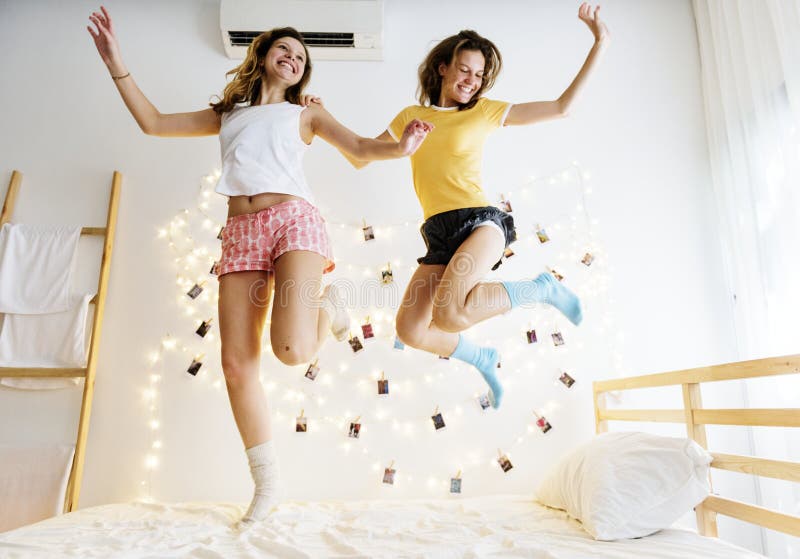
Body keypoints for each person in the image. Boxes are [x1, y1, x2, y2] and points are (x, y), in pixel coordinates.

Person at [87, 6, 432, 525]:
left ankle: (326, 300)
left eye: (301, 57)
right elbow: (153, 122)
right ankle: (267, 485)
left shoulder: (306, 115)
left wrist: (400, 148)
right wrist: (116, 62)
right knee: (234, 364)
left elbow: (360, 148)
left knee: (293, 351)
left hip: (294, 221)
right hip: (241, 231)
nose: (293, 59)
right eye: (285, 50)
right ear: (264, 55)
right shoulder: (229, 114)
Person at [349, 3, 609, 409]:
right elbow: (361, 155)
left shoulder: (485, 112)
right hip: (438, 231)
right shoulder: (410, 117)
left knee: (450, 315)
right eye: (465, 69)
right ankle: (481, 357)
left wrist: (600, 42)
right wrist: (318, 115)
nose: (472, 80)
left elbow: (562, 107)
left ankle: (542, 288)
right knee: (411, 329)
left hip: (479, 225)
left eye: (479, 74)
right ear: (443, 68)